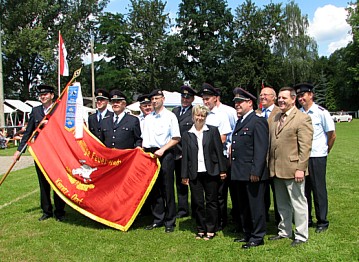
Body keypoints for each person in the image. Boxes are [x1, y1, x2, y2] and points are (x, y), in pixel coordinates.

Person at [268, 87, 313, 247]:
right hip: (276, 169)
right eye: (279, 98)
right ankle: (284, 231)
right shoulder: (275, 117)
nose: (280, 100)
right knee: (281, 204)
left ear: (293, 99)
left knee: (298, 202)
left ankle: (301, 235)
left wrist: (301, 168)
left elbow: (305, 146)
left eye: (284, 98)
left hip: (294, 170)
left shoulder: (302, 118)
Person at [13, 85, 66, 222]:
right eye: (41, 95)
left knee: (57, 181)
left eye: (46, 94)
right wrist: (19, 150)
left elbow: (65, 129)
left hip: (56, 152)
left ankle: (60, 211)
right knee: (43, 183)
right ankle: (46, 211)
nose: (43, 97)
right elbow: (29, 132)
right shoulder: (35, 111)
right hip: (41, 152)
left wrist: (51, 123)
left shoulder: (58, 110)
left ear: (52, 96)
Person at [181, 105, 227, 240]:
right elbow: (185, 156)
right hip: (194, 172)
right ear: (193, 116)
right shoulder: (186, 134)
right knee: (198, 202)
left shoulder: (212, 131)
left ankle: (211, 229)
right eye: (198, 115)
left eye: (203, 115)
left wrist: (222, 170)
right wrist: (184, 175)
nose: (200, 118)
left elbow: (219, 151)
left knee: (211, 201)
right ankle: (201, 228)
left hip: (211, 171)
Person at [295, 83, 336, 233]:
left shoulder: (321, 112)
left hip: (317, 155)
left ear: (311, 95)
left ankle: (322, 221)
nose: (301, 98)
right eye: (298, 96)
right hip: (302, 158)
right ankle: (307, 218)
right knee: (304, 190)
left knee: (318, 189)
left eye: (303, 95)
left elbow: (331, 135)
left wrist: (325, 150)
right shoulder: (298, 113)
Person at [231, 87, 269, 249]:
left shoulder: (257, 120)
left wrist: (256, 171)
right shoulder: (241, 120)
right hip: (239, 172)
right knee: (243, 205)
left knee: (255, 206)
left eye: (240, 102)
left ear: (250, 103)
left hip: (252, 173)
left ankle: (258, 236)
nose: (237, 105)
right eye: (236, 102)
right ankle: (247, 233)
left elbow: (261, 149)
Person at [142, 89, 181, 233]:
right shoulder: (148, 118)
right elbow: (144, 139)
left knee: (167, 188)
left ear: (163, 99)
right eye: (152, 99)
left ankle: (170, 221)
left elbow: (176, 138)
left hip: (165, 153)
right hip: (150, 154)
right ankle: (158, 219)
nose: (154, 101)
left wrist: (163, 150)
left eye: (156, 98)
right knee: (154, 188)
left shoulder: (170, 116)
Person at [199, 83, 232, 231]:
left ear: (215, 98)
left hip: (218, 158)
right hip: (204, 159)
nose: (206, 102)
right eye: (204, 99)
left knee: (219, 193)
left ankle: (222, 220)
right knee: (210, 192)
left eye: (208, 99)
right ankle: (211, 219)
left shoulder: (221, 115)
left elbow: (223, 138)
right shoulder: (201, 116)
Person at [172, 85, 196, 218]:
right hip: (175, 153)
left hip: (188, 153)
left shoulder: (194, 112)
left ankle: (196, 208)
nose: (185, 99)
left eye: (188, 97)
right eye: (183, 97)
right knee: (180, 183)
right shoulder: (174, 111)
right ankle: (182, 209)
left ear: (192, 99)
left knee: (192, 182)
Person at [258, 87, 281, 225]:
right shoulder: (257, 113)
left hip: (276, 159)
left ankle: (280, 219)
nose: (262, 97)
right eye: (261, 95)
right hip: (261, 160)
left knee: (278, 192)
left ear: (274, 97)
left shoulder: (280, 112)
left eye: (265, 95)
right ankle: (263, 217)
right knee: (262, 192)